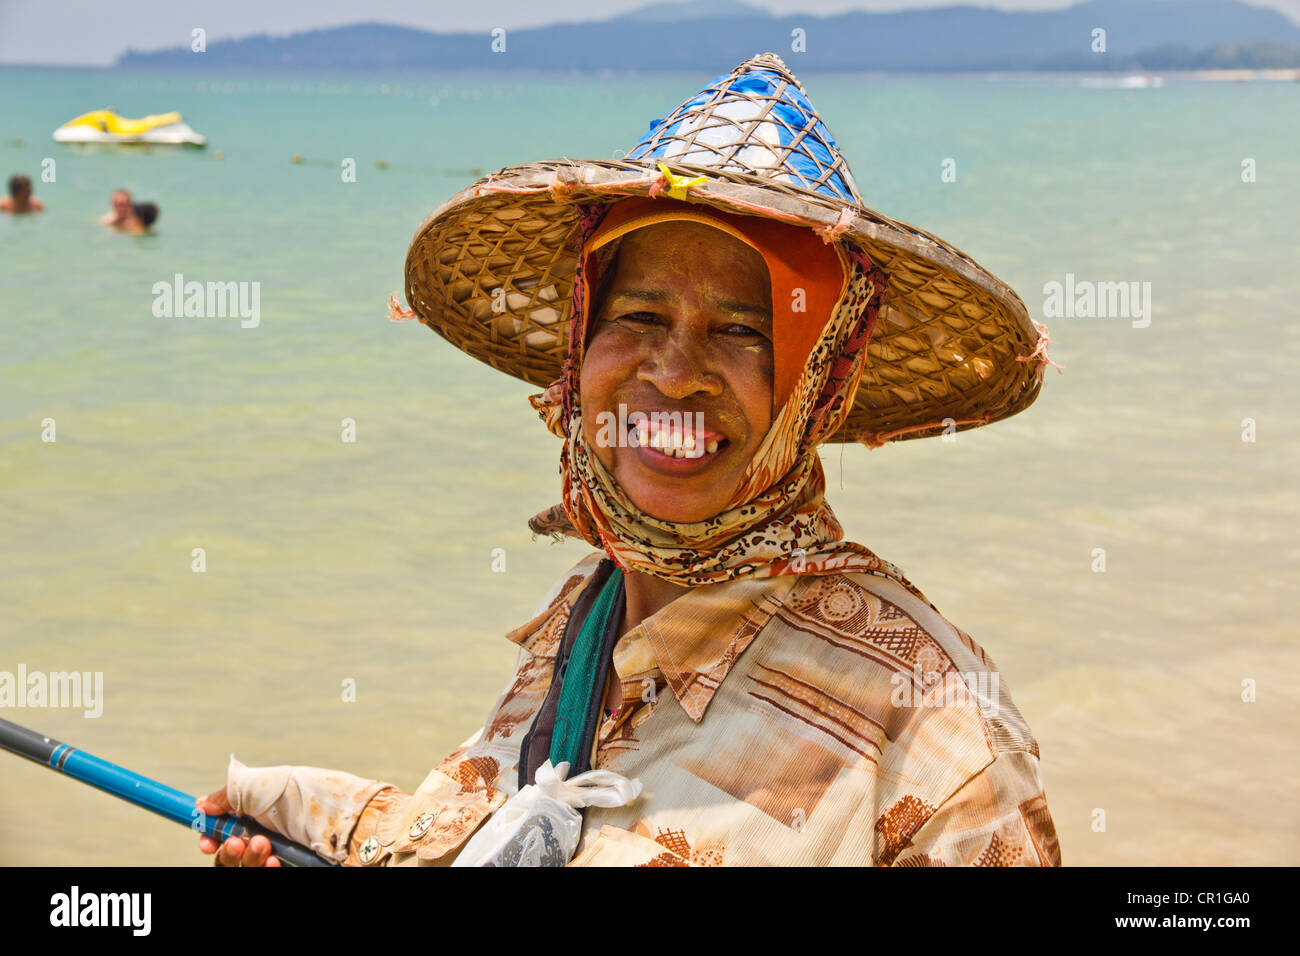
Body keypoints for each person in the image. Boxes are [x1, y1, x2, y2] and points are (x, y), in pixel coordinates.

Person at [198, 53, 1063, 867]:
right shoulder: (585, 619)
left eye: (744, 332)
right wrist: (311, 817)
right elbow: (520, 827)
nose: (676, 372)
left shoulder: (931, 726)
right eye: (640, 318)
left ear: (817, 381)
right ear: (581, 346)